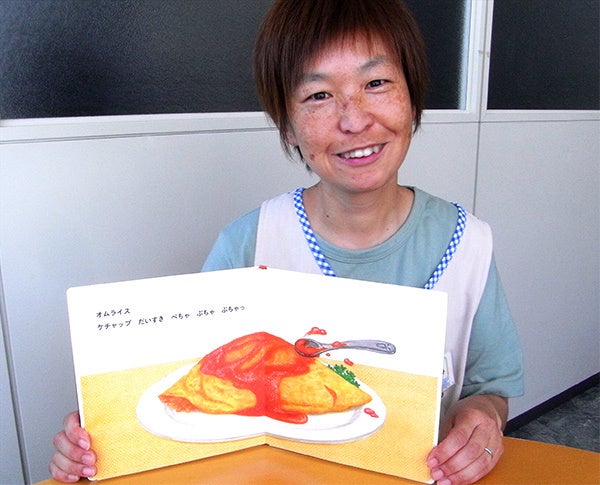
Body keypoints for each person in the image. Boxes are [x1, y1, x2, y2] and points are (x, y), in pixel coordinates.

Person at [49, 1, 523, 484]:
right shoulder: (249, 243)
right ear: (288, 127)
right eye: (319, 95)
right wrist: (96, 440)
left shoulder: (468, 245)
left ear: (413, 97)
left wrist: (483, 419)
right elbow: (192, 378)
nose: (354, 120)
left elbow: (490, 389)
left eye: (376, 83)